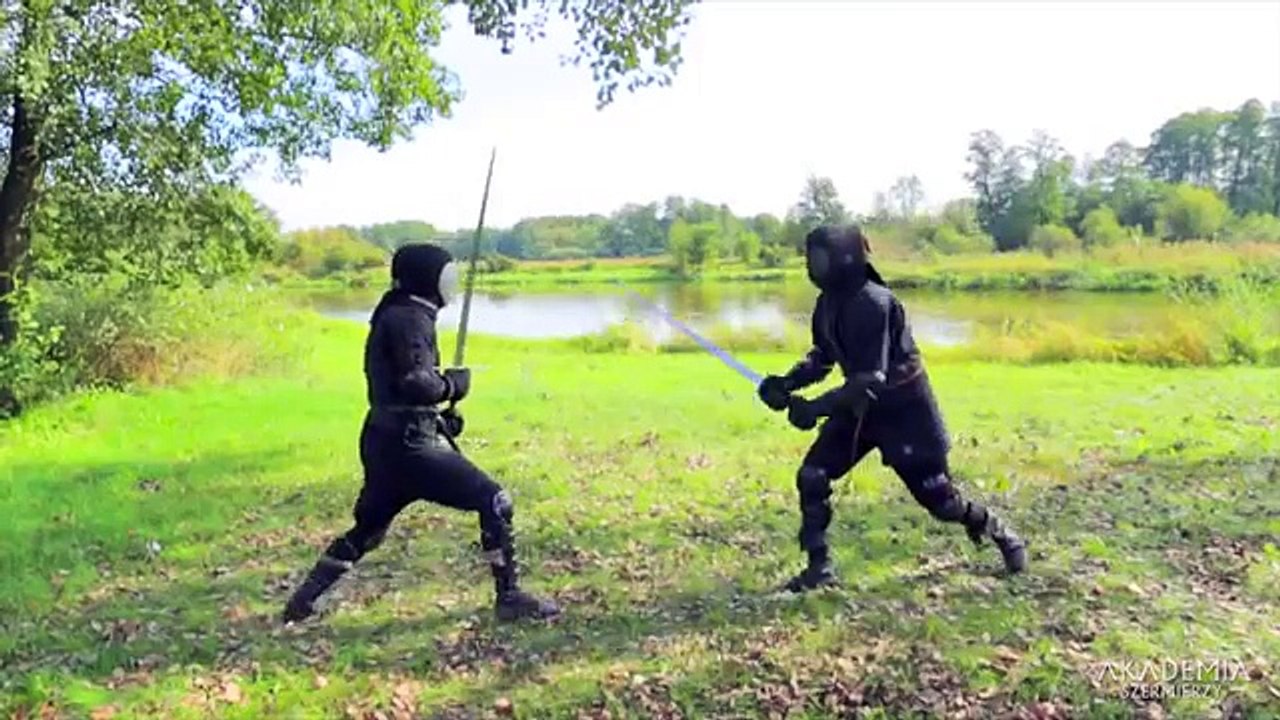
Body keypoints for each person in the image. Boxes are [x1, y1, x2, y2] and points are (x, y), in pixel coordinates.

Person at [282, 243, 561, 623]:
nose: (453, 282)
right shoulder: (409, 317)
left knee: (369, 529)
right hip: (409, 446)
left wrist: (438, 421)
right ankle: (509, 597)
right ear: (430, 278)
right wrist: (452, 387)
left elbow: (396, 390)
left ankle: (302, 601)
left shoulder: (398, 312)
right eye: (448, 274)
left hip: (388, 438)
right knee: (496, 502)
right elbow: (416, 382)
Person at [757, 225, 1027, 592]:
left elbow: (871, 378)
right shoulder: (828, 303)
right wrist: (786, 383)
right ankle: (819, 567)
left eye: (818, 258)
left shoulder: (873, 302)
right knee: (813, 475)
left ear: (845, 258)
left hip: (905, 414)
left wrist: (816, 408)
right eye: (810, 257)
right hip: (859, 411)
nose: (811, 266)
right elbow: (823, 357)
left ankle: (997, 530)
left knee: (941, 502)